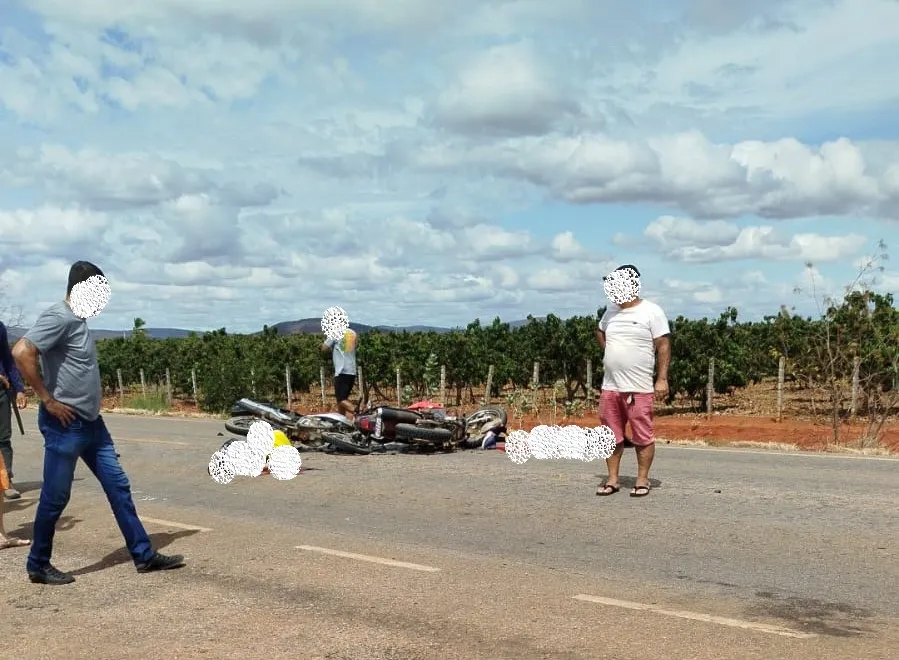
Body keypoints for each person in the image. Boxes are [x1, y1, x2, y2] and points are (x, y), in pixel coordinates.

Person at [12, 260, 185, 584]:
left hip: (92, 425)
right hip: (66, 425)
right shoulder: (58, 317)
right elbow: (22, 351)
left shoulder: (77, 321)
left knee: (118, 486)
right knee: (55, 497)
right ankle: (38, 564)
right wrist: (47, 399)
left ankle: (144, 555)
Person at [595, 264, 671, 498]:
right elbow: (599, 331)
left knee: (642, 436)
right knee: (610, 435)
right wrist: (611, 352)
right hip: (610, 387)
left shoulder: (651, 311)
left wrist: (662, 379)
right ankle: (613, 480)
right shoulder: (610, 312)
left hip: (638, 388)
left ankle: (642, 479)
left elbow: (664, 345)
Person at [1, 318, 27, 499]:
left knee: (3, 438)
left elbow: (7, 359)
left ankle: (6, 481)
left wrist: (19, 389)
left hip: (1, 391)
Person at [320, 327, 358, 420]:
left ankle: (359, 413)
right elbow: (354, 346)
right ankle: (342, 422)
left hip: (341, 371)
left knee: (341, 400)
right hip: (352, 371)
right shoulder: (353, 333)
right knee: (342, 399)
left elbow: (324, 348)